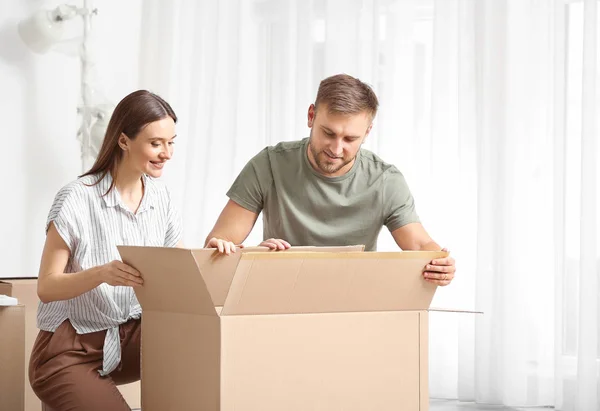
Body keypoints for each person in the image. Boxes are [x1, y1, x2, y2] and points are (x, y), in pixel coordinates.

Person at [205, 74, 455, 286]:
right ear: (311, 116)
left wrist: (440, 264)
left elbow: (420, 245)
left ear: (367, 133)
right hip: (281, 297)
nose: (336, 149)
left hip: (354, 303)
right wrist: (257, 256)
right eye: (329, 133)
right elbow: (219, 245)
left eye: (349, 139)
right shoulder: (269, 164)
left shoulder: (384, 180)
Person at [29, 90, 181, 411]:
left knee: (202, 338)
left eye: (171, 142)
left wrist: (225, 250)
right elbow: (46, 286)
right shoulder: (76, 198)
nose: (166, 153)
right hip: (68, 351)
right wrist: (102, 273)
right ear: (124, 141)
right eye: (156, 143)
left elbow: (179, 272)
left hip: (130, 340)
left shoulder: (161, 198)